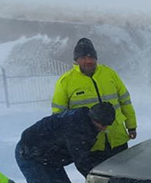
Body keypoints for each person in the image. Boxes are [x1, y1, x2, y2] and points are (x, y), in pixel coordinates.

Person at [52, 37, 137, 166]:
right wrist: (66, 141)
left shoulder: (109, 74)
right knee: (99, 182)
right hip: (90, 143)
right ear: (76, 60)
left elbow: (125, 101)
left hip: (117, 138)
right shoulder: (66, 81)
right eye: (83, 58)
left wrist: (131, 126)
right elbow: (59, 115)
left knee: (123, 176)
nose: (88, 61)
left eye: (91, 57)